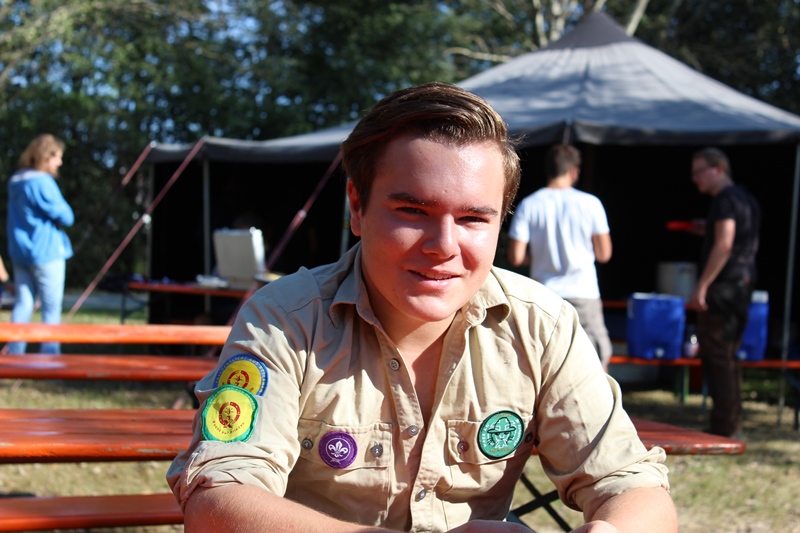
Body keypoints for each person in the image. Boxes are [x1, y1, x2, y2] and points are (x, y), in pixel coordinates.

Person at [168, 82, 676, 532]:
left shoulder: (542, 325)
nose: (443, 246)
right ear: (357, 207)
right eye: (413, 211)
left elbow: (632, 484)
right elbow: (218, 503)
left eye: (474, 219)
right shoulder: (286, 319)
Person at [506, 145, 614, 372]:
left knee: (544, 361)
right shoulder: (590, 203)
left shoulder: (529, 204)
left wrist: (538, 257)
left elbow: (515, 257)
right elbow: (604, 254)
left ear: (548, 170)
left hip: (544, 293)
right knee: (595, 360)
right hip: (583, 292)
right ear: (574, 171)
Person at [687, 147, 760, 440]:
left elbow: (725, 244)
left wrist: (702, 285)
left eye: (698, 172)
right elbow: (742, 239)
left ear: (717, 169)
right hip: (743, 281)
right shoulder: (746, 198)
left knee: (718, 355)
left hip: (725, 286)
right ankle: (731, 422)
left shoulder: (725, 200)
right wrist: (708, 229)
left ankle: (725, 427)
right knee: (728, 354)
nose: (695, 179)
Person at [6, 134, 74, 354]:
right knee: (51, 310)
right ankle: (49, 362)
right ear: (45, 157)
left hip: (20, 253)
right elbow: (66, 216)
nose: (59, 163)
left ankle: (13, 358)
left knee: (23, 304)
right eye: (57, 157)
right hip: (46, 253)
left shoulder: (15, 180)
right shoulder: (42, 182)